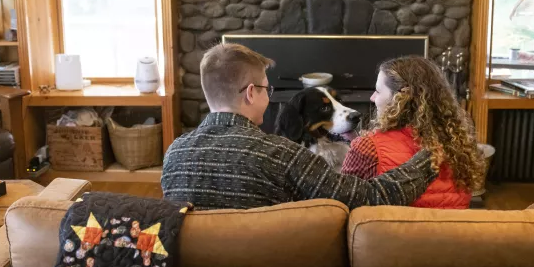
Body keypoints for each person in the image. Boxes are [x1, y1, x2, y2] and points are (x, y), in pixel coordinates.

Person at [161, 43, 437, 210]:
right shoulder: (281, 154)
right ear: (249, 93)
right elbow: (368, 197)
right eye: (267, 90)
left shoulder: (173, 155)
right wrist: (428, 159)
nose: (269, 97)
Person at [341, 56, 484, 209]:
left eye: (377, 91)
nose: (372, 97)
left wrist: (358, 147)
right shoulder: (458, 143)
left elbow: (342, 201)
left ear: (399, 98)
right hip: (450, 230)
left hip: (393, 232)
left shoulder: (367, 147)